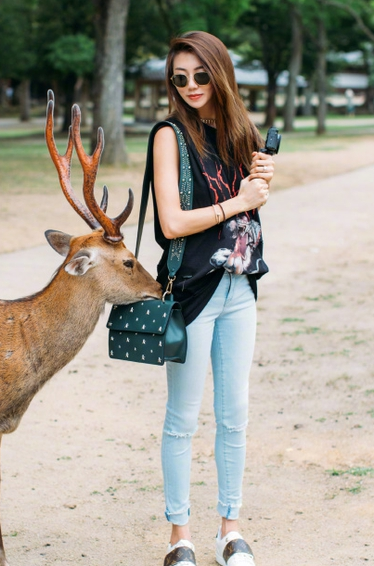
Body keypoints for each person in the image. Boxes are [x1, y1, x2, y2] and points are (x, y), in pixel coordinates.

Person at [145, 31, 274, 566]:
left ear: (219, 73)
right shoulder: (169, 136)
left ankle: (230, 530)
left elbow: (245, 210)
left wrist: (262, 184)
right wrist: (237, 202)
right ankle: (180, 537)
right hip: (193, 295)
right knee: (182, 418)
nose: (191, 85)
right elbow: (172, 223)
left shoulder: (239, 131)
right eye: (180, 77)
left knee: (235, 413)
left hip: (240, 288)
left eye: (200, 75)